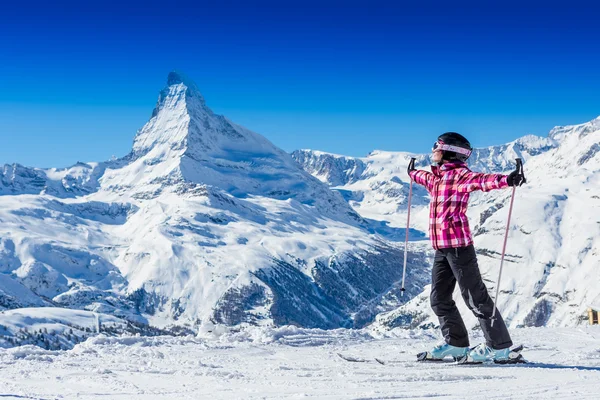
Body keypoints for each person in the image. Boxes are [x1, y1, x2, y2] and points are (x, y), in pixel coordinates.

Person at [408, 132, 526, 363]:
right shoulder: (436, 178)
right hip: (441, 248)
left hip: (459, 248)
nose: (432, 151)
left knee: (475, 297)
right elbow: (421, 177)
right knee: (439, 299)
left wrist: (507, 180)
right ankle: (456, 343)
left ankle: (499, 347)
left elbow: (482, 181)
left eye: (437, 147)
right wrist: (411, 172)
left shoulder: (460, 176)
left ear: (450, 151)